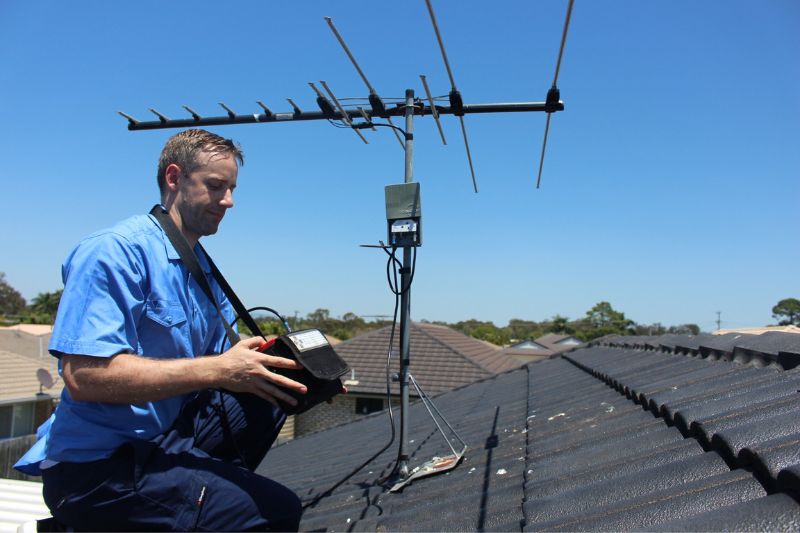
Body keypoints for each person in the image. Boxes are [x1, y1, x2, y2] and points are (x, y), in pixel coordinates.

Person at [16, 129, 306, 531]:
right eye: (216, 186)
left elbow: (229, 358)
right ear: (175, 178)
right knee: (277, 512)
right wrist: (220, 370)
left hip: (165, 437)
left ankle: (194, 498)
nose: (229, 201)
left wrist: (303, 372)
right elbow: (84, 376)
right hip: (100, 466)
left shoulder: (201, 267)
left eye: (232, 189)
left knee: (278, 390)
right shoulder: (115, 251)